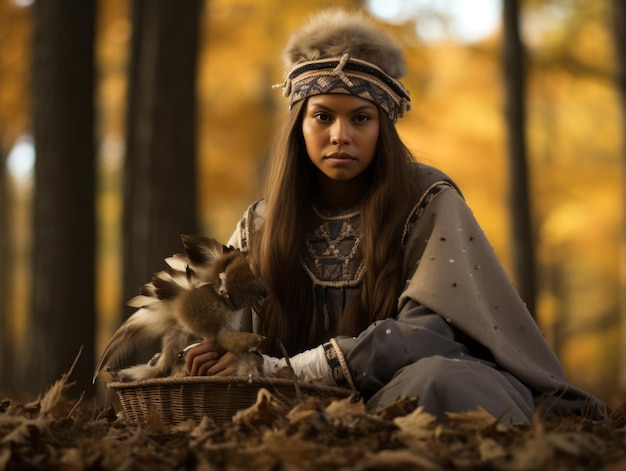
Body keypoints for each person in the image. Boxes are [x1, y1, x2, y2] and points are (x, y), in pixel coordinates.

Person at [184, 8, 607, 424]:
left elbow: (428, 335)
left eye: (361, 118)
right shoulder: (262, 222)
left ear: (382, 127)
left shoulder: (427, 198)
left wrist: (288, 370)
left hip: (406, 393)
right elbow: (225, 324)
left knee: (442, 380)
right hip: (294, 403)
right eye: (323, 117)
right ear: (300, 125)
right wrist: (216, 352)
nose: (340, 136)